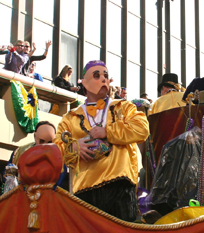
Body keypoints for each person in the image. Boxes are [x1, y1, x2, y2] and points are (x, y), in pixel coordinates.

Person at [55, 61, 149, 222]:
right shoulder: (70, 117)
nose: (103, 79)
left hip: (120, 183)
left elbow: (142, 128)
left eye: (105, 75)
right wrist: (73, 148)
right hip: (85, 190)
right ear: (84, 82)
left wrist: (108, 132)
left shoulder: (123, 107)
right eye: (96, 76)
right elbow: (57, 147)